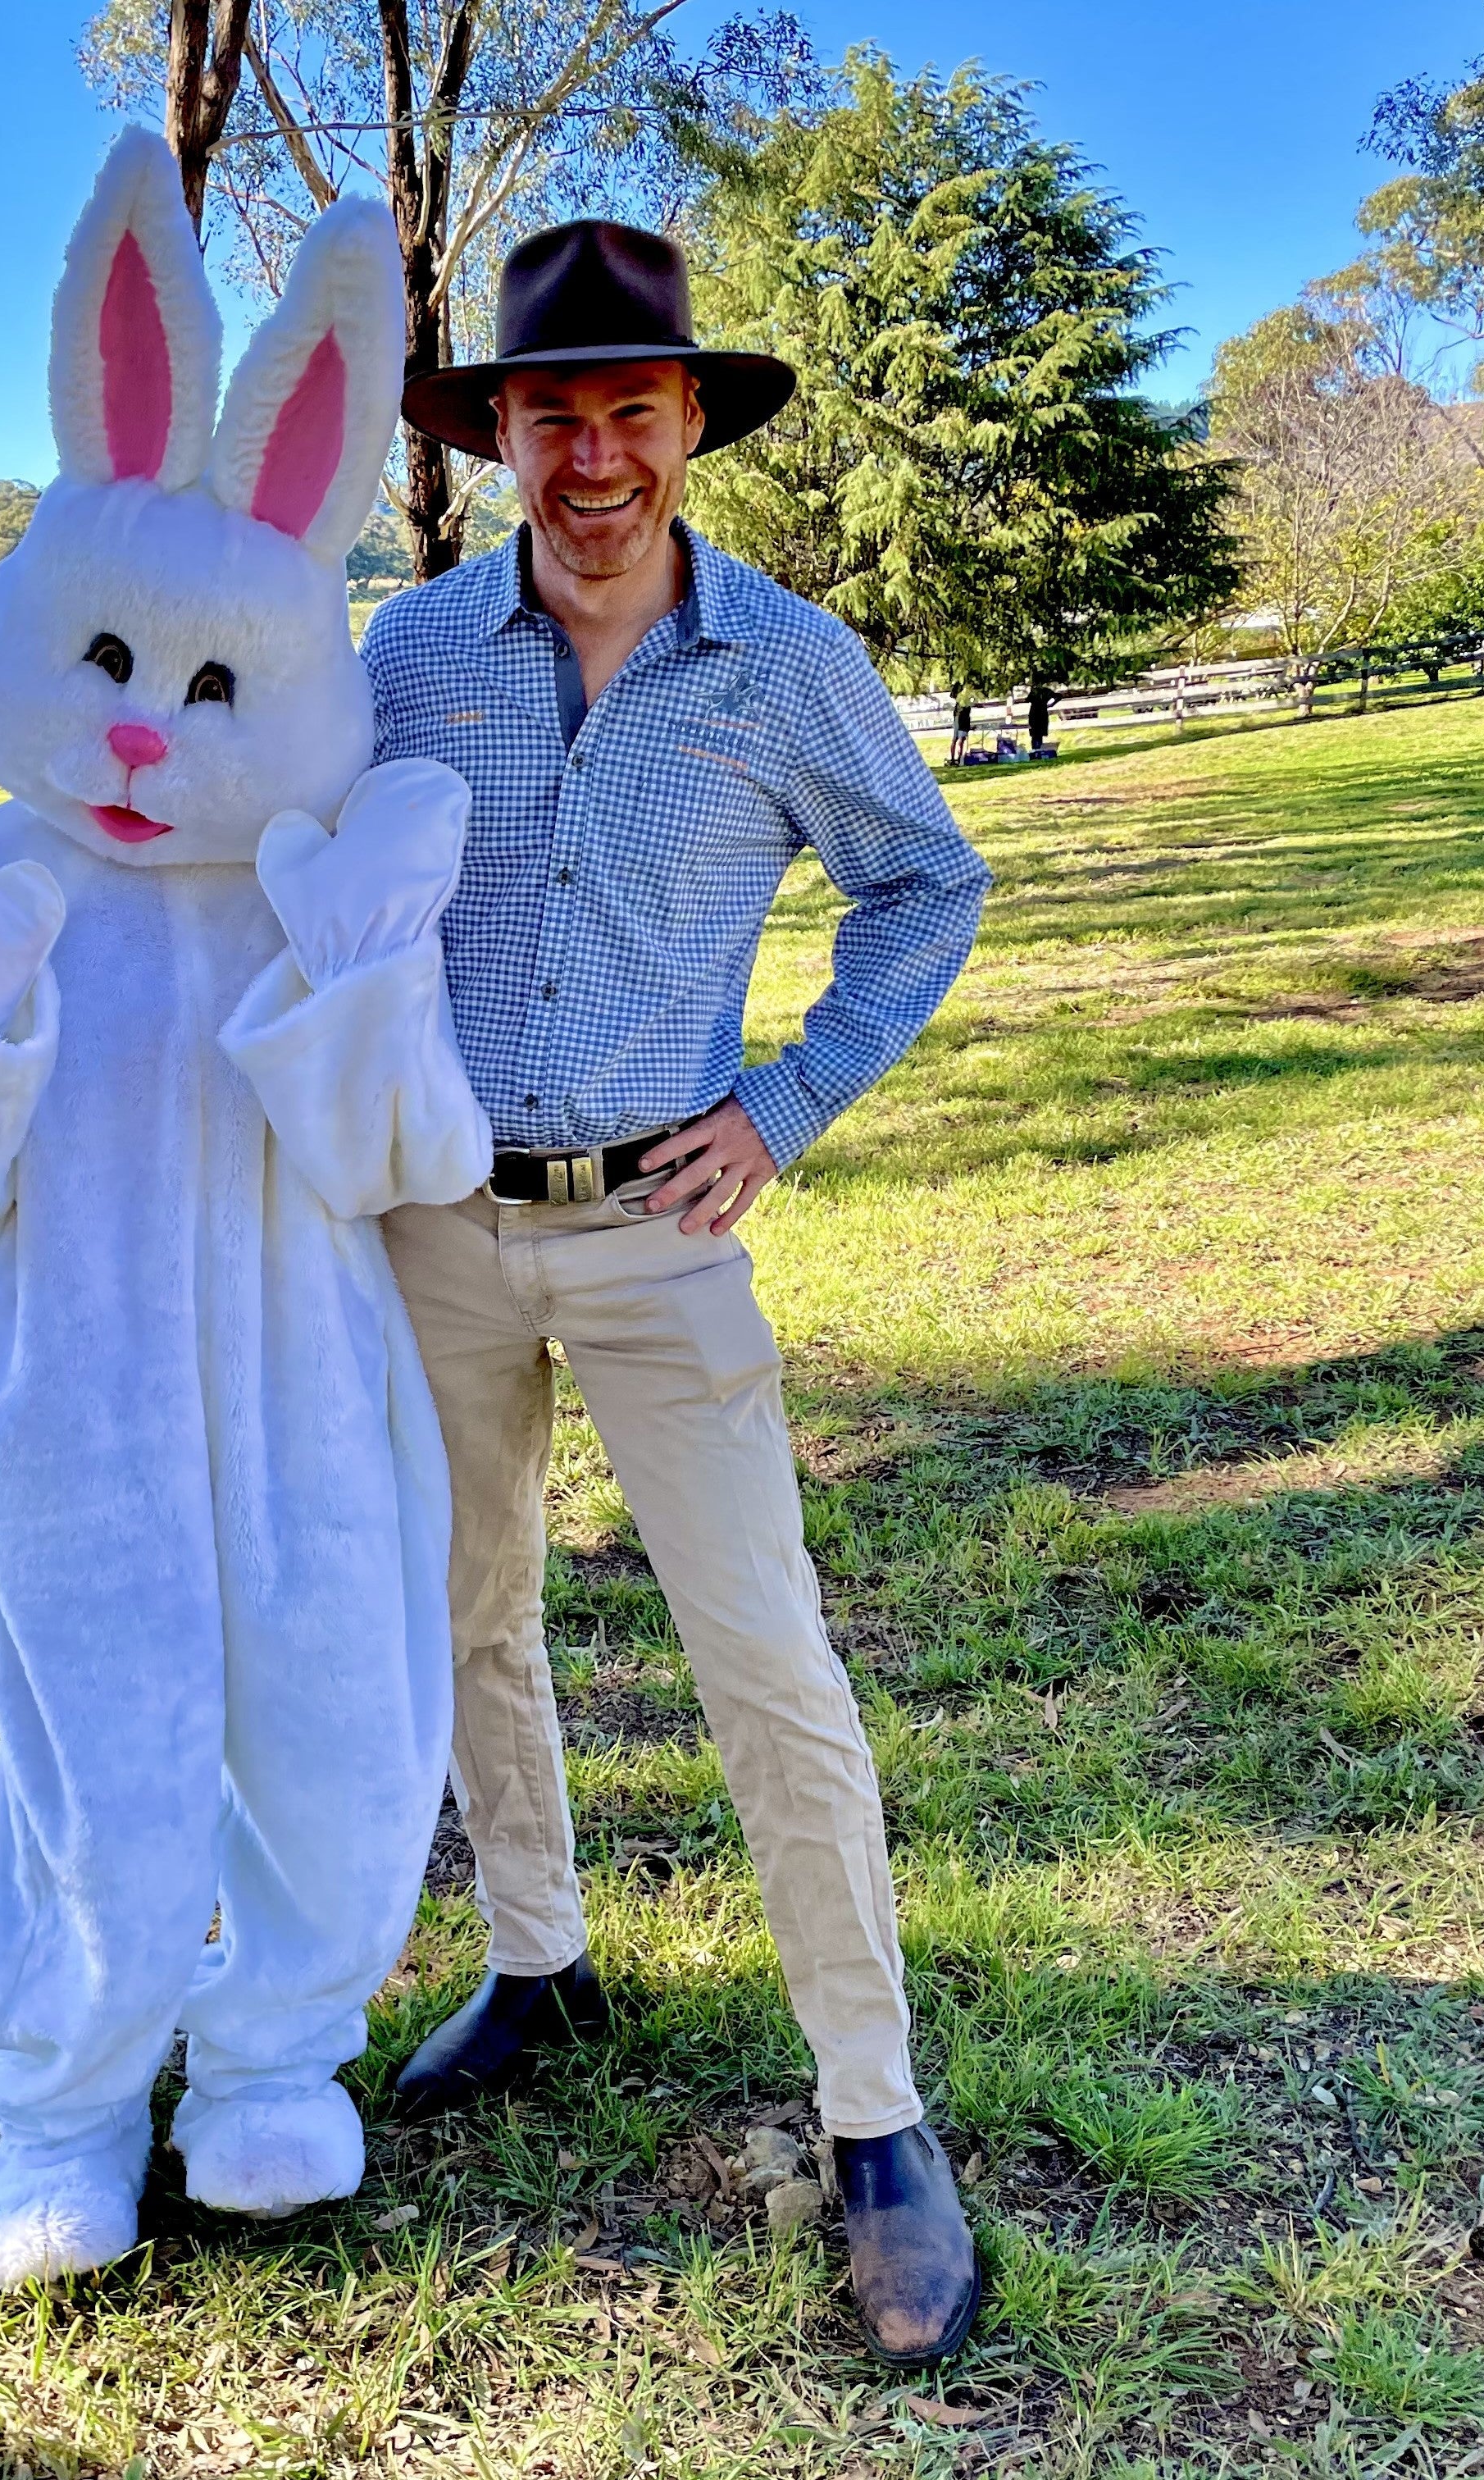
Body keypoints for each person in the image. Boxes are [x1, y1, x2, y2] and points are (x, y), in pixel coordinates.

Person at [365, 220, 992, 2368]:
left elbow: (929, 876)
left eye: (635, 408)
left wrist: (788, 1100)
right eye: (553, 412)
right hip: (433, 1226)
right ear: (499, 436)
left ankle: (879, 2118)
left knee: (764, 1657)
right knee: (467, 1610)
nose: (595, 453)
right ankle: (536, 1958)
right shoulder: (408, 660)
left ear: (694, 423)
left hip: (660, 1233)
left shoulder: (787, 664)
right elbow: (295, 876)